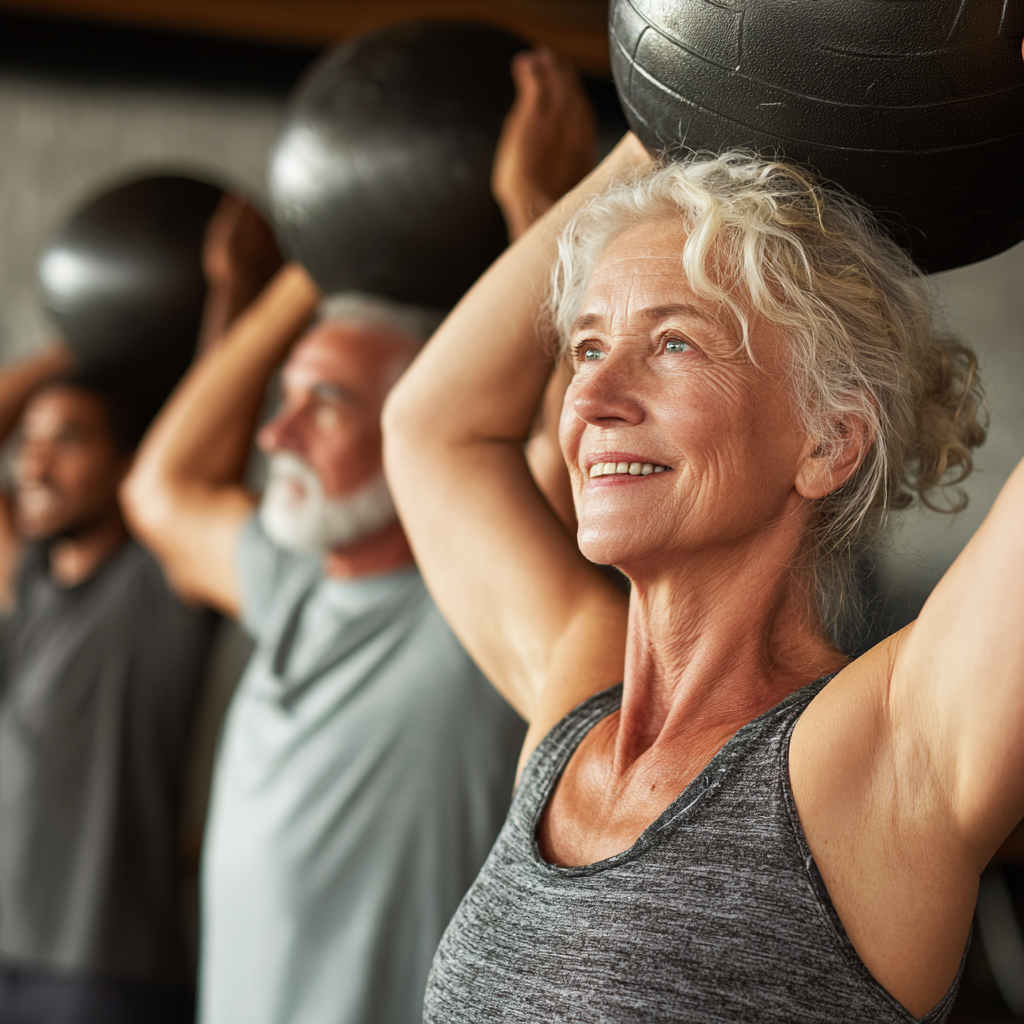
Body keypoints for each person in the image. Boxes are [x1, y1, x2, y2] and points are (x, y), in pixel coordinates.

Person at [383, 51, 1015, 1024]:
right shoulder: (571, 711)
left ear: (827, 441)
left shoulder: (878, 755)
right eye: (587, 344)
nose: (589, 395)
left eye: (672, 342)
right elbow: (429, 425)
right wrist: (679, 103)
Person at [120, 51, 597, 1024]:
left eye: (324, 404)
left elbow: (548, 440)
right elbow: (159, 489)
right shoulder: (290, 584)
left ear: (419, 424)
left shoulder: (473, 609)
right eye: (285, 398)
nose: (275, 433)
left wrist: (538, 212)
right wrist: (319, 259)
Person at [0, 354, 215, 1024]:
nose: (35, 467)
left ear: (129, 462)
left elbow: (195, 453)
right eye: (28, 443)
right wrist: (76, 347)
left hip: (105, 978)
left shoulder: (157, 586)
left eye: (67, 440)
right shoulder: (29, 581)